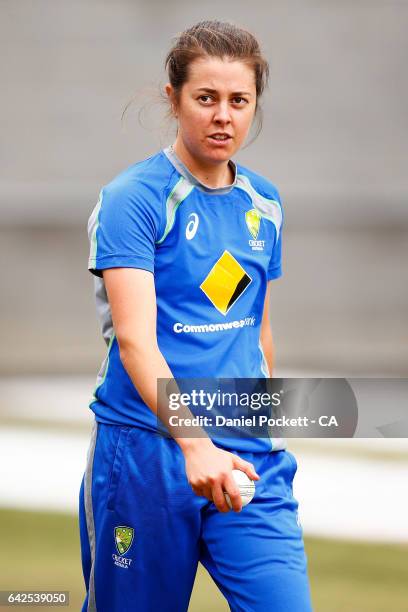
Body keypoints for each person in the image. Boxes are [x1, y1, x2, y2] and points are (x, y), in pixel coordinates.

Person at [79, 20, 313, 612]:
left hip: (245, 454)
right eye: (205, 98)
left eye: (239, 101)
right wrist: (194, 446)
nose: (223, 116)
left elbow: (255, 327)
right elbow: (135, 341)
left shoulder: (265, 202)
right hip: (147, 453)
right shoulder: (134, 198)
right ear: (174, 98)